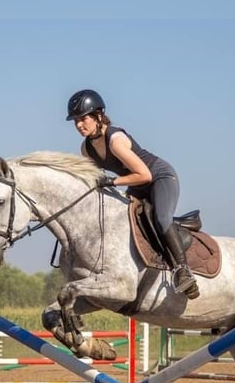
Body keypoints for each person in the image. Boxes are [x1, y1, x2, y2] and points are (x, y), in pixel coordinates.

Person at [65, 89, 199, 298]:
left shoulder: (115, 140)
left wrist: (112, 181)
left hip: (159, 177)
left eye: (83, 119)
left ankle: (183, 270)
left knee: (162, 220)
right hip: (136, 183)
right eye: (75, 121)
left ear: (99, 116)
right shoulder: (86, 148)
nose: (79, 125)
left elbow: (144, 175)